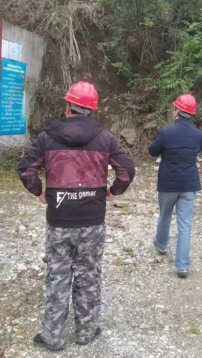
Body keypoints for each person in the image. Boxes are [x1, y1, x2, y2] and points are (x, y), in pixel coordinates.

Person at [17, 81, 135, 351]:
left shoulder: (47, 137)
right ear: (92, 110)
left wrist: (39, 192)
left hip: (59, 220)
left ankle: (52, 336)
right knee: (88, 275)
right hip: (92, 221)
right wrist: (113, 192)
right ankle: (86, 332)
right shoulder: (105, 138)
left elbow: (26, 169)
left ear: (68, 105)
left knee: (57, 276)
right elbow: (127, 169)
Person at [149, 94, 202, 278]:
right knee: (185, 225)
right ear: (192, 114)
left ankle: (162, 245)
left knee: (165, 214)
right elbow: (198, 149)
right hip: (189, 184)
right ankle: (183, 266)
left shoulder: (166, 132)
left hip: (168, 183)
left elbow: (152, 151)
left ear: (177, 111)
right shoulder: (198, 135)